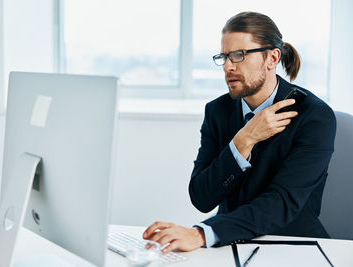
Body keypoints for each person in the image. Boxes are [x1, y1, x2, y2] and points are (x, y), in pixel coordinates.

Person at [143, 11, 336, 253]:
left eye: (238, 55)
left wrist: (203, 233)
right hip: (229, 242)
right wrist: (244, 140)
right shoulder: (218, 111)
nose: (227, 67)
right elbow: (202, 197)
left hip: (292, 245)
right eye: (223, 57)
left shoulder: (314, 116)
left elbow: (282, 203)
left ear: (272, 58)